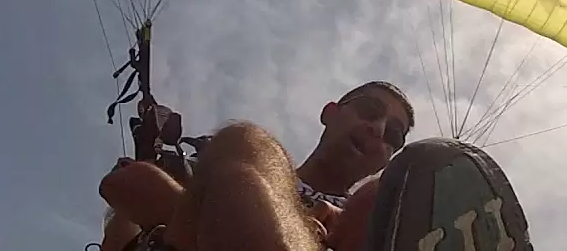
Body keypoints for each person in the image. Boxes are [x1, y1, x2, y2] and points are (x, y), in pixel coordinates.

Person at [98, 81, 532, 251]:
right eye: (367, 109)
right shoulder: (236, 160)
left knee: (392, 196)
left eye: (395, 135)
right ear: (330, 112)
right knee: (247, 142)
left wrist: (216, 209)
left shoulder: (377, 209)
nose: (378, 128)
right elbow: (123, 190)